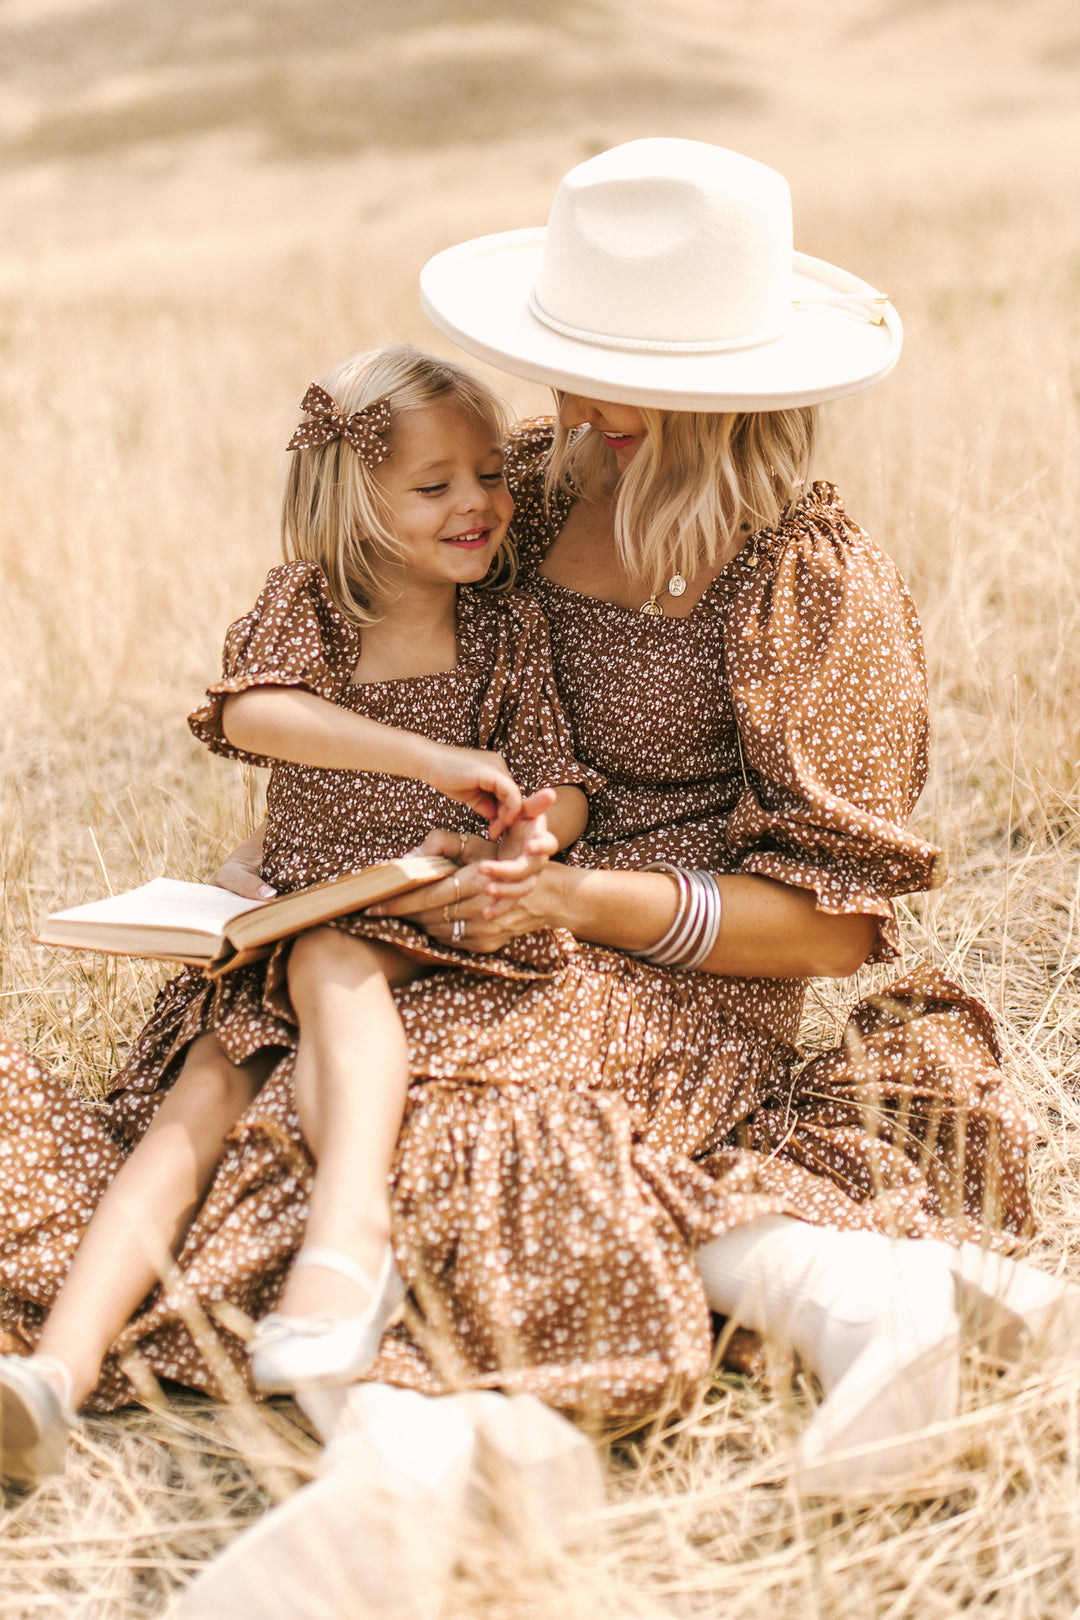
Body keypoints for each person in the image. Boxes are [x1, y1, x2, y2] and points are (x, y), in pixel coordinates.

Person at [0, 142, 1071, 1522]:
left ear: (728, 392)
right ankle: (849, 1296)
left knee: (410, 1119)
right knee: (293, 1081)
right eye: (567, 359)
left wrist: (572, 898)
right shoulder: (523, 487)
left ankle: (449, 1446)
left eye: (623, 379)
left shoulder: (804, 577)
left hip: (675, 970)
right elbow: (351, 635)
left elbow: (831, 924)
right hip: (461, 921)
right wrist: (337, 833)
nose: (573, 403)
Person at [0, 343, 598, 1484]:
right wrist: (429, 757)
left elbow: (562, 778)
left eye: (488, 474)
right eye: (434, 486)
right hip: (291, 913)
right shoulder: (308, 607)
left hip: (431, 912)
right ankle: (55, 1377)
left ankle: (346, 1235)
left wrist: (535, 832)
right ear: (352, 500)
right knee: (201, 1096)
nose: (476, 502)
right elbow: (256, 717)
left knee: (335, 956)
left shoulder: (507, 627)